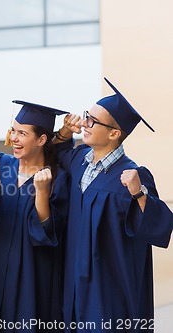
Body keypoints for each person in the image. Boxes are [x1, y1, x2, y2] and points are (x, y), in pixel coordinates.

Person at [53, 78, 173, 332]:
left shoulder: (134, 175)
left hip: (109, 289)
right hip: (74, 282)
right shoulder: (78, 161)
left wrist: (139, 193)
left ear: (114, 133)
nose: (85, 123)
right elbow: (57, 151)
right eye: (87, 116)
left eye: (93, 121)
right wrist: (64, 132)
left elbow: (160, 226)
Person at [0, 100, 70, 332]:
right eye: (13, 131)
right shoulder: (2, 164)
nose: (14, 138)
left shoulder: (57, 178)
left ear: (41, 140)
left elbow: (49, 233)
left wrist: (41, 193)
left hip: (33, 273)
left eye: (22, 133)